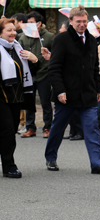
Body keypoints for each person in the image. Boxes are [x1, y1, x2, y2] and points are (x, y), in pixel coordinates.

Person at [44, 5, 100, 173]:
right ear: (71, 21)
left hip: (87, 93)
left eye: (85, 21)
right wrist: (59, 91)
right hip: (66, 94)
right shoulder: (61, 39)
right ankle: (50, 157)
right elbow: (54, 68)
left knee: (92, 128)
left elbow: (95, 68)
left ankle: (96, 163)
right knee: (58, 127)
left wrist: (98, 88)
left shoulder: (92, 40)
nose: (82, 24)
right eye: (78, 21)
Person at [0, 18, 38, 178]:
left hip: (15, 97)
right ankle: (9, 166)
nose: (13, 33)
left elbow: (30, 73)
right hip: (0, 97)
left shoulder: (17, 47)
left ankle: (7, 161)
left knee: (11, 130)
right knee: (7, 131)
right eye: (9, 30)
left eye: (14, 30)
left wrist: (34, 59)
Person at [19, 11, 55, 139]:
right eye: (27, 23)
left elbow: (55, 55)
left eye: (31, 23)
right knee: (29, 102)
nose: (28, 26)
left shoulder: (49, 36)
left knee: (45, 103)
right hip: (28, 75)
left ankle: (47, 128)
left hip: (44, 74)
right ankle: (30, 128)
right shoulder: (22, 37)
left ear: (39, 24)